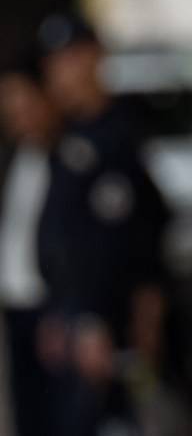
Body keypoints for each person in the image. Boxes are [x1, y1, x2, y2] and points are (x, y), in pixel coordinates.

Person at [32, 15, 168, 436]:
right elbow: (63, 237)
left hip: (110, 328)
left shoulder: (116, 137)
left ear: (96, 57)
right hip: (75, 320)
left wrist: (96, 319)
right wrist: (61, 310)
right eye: (55, 63)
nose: (64, 73)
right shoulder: (67, 138)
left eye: (73, 58)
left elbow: (123, 242)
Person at [1, 56, 57, 436]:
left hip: (52, 311)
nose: (17, 115)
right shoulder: (16, 159)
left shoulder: (71, 159)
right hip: (16, 305)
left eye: (23, 103)